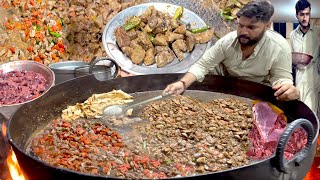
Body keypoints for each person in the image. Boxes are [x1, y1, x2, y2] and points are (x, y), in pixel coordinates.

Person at [164, 0, 300, 101]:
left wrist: (288, 89)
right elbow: (203, 65)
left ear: (267, 25)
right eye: (241, 25)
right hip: (222, 79)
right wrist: (182, 83)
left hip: (255, 87)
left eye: (251, 28)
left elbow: (281, 79)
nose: (243, 32)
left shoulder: (279, 48)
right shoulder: (228, 41)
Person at [290, 0, 320, 114]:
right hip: (299, 76)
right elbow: (293, 56)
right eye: (302, 14)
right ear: (297, 15)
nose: (305, 18)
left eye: (307, 14)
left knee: (312, 111)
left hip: (314, 76)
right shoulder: (293, 34)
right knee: (300, 108)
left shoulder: (317, 32)